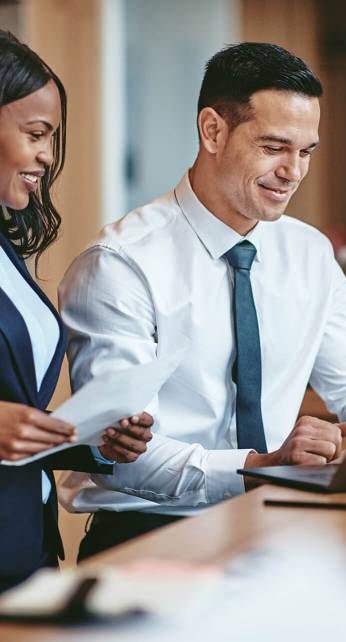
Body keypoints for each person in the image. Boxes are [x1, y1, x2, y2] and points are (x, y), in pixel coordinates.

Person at [59, 42, 346, 560]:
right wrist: (263, 465)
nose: (294, 172)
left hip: (280, 528)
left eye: (305, 152)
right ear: (213, 130)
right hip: (150, 539)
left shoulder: (309, 253)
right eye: (274, 147)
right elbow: (123, 456)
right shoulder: (120, 263)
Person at [0, 30, 153, 592]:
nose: (47, 154)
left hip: (26, 547)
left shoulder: (5, 246)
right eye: (36, 133)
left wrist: (88, 436)